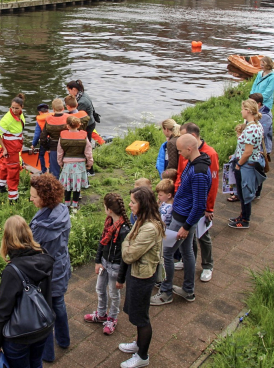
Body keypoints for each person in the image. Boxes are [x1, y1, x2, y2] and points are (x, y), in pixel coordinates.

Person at [151, 134, 209, 303]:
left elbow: (199, 205)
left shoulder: (198, 172)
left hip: (183, 219)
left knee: (167, 252)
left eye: (180, 150)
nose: (179, 153)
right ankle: (187, 290)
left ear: (189, 149)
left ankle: (166, 292)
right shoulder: (195, 163)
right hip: (182, 215)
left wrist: (186, 226)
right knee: (187, 252)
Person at [0, 216, 55, 368]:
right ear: (28, 233)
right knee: (36, 363)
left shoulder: (12, 271)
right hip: (43, 327)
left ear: (6, 239)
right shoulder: (44, 257)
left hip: (19, 335)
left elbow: (3, 310)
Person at [117, 187, 164, 368]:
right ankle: (138, 344)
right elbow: (129, 241)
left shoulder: (149, 227)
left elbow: (128, 254)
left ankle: (143, 356)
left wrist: (126, 243)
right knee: (136, 312)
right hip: (136, 273)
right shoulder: (142, 219)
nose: (129, 204)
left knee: (141, 317)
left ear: (142, 204)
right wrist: (128, 243)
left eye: (133, 202)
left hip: (143, 276)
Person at [28, 174, 71, 363]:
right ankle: (64, 340)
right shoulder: (62, 211)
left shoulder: (39, 227)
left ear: (44, 198)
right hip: (61, 265)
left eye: (34, 196)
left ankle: (47, 354)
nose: (31, 199)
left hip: (45, 273)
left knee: (43, 312)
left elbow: (31, 250)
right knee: (59, 304)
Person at [178, 123, 219, 282]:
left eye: (182, 136)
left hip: (201, 204)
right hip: (187, 202)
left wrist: (209, 208)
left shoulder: (210, 154)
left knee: (202, 235)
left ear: (192, 139)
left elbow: (213, 183)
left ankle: (208, 265)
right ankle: (190, 261)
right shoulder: (187, 154)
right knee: (189, 236)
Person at [84, 193, 130, 336]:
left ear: (109, 209)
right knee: (100, 289)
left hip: (116, 268)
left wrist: (121, 278)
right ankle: (102, 313)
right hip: (104, 264)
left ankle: (112, 318)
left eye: (104, 206)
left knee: (114, 294)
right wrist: (98, 261)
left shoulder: (124, 230)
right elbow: (102, 242)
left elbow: (125, 257)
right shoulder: (108, 223)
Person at [228, 101, 266, 229]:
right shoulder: (257, 125)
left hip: (246, 165)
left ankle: (245, 220)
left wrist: (238, 164)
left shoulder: (250, 129)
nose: (241, 111)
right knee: (243, 193)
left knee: (245, 193)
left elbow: (248, 151)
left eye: (243, 109)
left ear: (248, 111)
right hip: (250, 163)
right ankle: (242, 215)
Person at [57, 116, 94, 212]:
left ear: (67, 126)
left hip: (67, 165)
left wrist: (60, 162)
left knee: (67, 185)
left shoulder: (62, 136)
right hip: (80, 164)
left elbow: (59, 151)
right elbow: (88, 151)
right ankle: (75, 205)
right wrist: (90, 163)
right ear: (79, 125)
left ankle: (66, 204)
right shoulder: (84, 136)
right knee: (77, 186)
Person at [0, 93, 27, 201]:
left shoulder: (20, 114)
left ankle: (1, 186)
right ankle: (13, 198)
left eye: (16, 108)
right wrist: (4, 148)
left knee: (5, 165)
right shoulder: (7, 119)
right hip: (10, 149)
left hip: (15, 146)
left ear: (22, 107)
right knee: (13, 171)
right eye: (12, 107)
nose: (14, 110)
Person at [40, 99, 69, 178]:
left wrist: (47, 147)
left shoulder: (49, 119)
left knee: (54, 172)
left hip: (54, 147)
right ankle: (68, 186)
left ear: (53, 109)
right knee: (68, 168)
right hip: (67, 146)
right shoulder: (68, 118)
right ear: (63, 108)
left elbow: (43, 137)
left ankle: (56, 188)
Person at [31, 103, 51, 174]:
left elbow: (37, 134)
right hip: (52, 140)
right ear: (47, 110)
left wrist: (33, 144)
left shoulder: (39, 120)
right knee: (51, 154)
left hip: (44, 141)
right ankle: (51, 169)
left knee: (41, 155)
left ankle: (43, 170)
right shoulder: (52, 117)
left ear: (40, 112)